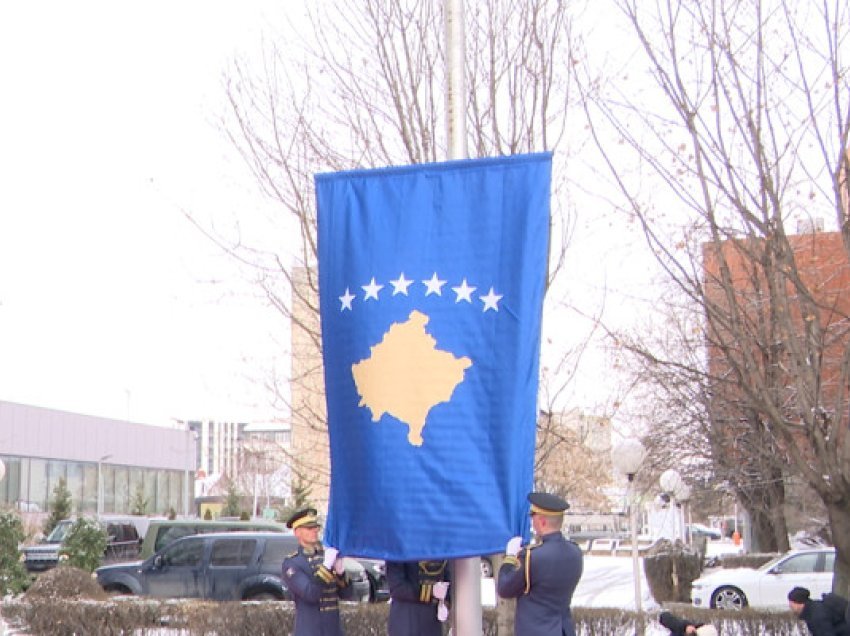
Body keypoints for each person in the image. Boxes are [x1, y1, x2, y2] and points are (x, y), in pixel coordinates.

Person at [496, 492, 583, 636]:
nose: (531, 521)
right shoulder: (575, 552)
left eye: (533, 516)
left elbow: (505, 588)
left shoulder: (533, 557)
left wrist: (510, 558)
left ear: (542, 521)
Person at [282, 508, 353, 636]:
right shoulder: (292, 563)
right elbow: (310, 594)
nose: (315, 531)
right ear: (297, 532)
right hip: (310, 630)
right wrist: (326, 568)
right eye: (309, 528)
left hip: (333, 630)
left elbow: (347, 594)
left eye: (315, 527)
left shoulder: (326, 557)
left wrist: (341, 572)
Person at [386, 559, 450, 635]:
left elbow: (447, 577)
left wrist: (445, 602)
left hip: (432, 618)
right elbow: (397, 588)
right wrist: (431, 591)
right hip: (407, 617)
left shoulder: (440, 550)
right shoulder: (398, 550)